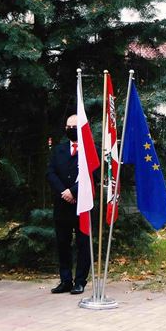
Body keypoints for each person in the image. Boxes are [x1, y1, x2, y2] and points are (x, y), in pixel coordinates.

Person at [45, 115, 98, 295]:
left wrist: (73, 192)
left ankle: (80, 281)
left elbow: (93, 176)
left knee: (83, 244)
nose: (70, 129)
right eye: (68, 126)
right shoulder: (59, 150)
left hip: (82, 204)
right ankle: (65, 280)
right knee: (63, 243)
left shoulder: (92, 151)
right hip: (62, 204)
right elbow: (51, 173)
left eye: (74, 126)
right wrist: (64, 192)